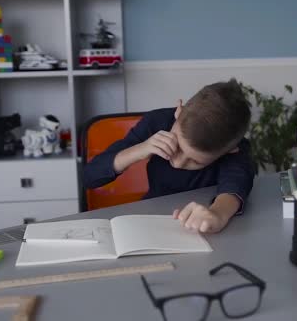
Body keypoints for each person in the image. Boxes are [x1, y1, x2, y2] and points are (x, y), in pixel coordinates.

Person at [83, 78, 255, 233]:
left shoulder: (235, 148)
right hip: (152, 220)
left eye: (195, 161)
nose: (178, 162)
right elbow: (90, 177)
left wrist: (217, 214)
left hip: (199, 226)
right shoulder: (156, 122)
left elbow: (236, 184)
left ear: (231, 150)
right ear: (178, 112)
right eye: (178, 146)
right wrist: (138, 150)